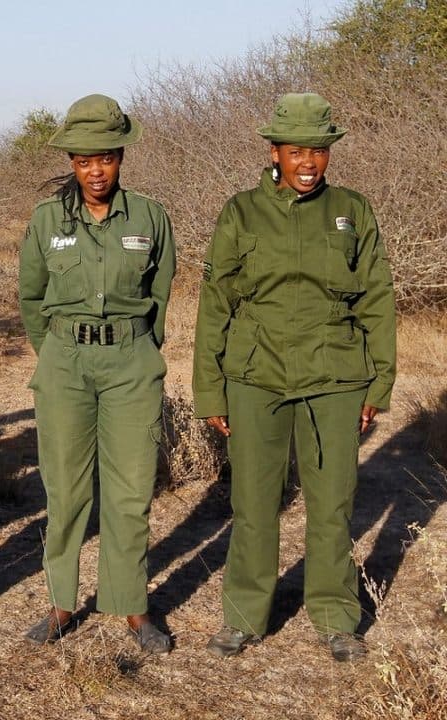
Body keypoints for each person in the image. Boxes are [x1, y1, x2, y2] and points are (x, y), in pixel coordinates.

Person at [193, 93, 395, 662]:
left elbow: (377, 297)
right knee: (254, 504)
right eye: (297, 151)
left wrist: (379, 383)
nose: (308, 162)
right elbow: (216, 304)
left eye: (319, 151)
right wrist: (210, 387)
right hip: (256, 377)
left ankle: (335, 617)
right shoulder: (240, 212)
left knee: (332, 503)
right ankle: (245, 616)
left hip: (335, 376)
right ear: (273, 151)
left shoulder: (353, 211)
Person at [17, 94, 176, 654]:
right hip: (65, 363)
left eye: (105, 158)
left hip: (131, 364)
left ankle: (132, 605)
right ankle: (62, 601)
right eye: (84, 160)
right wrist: (58, 350)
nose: (95, 170)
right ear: (71, 163)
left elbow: (160, 291)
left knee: (131, 492)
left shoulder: (150, 216)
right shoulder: (46, 219)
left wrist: (136, 349)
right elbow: (32, 296)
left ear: (120, 157)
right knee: (65, 490)